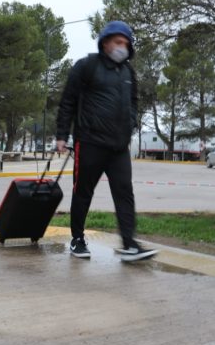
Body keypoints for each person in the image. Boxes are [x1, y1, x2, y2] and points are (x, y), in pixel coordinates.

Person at [55, 20, 157, 262]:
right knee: (83, 192)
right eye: (118, 42)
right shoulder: (87, 66)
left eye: (126, 43)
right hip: (89, 142)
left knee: (124, 193)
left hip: (119, 146)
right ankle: (77, 239)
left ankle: (129, 244)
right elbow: (68, 100)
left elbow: (133, 102)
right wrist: (61, 134)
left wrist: (131, 123)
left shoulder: (128, 72)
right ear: (106, 42)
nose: (122, 47)